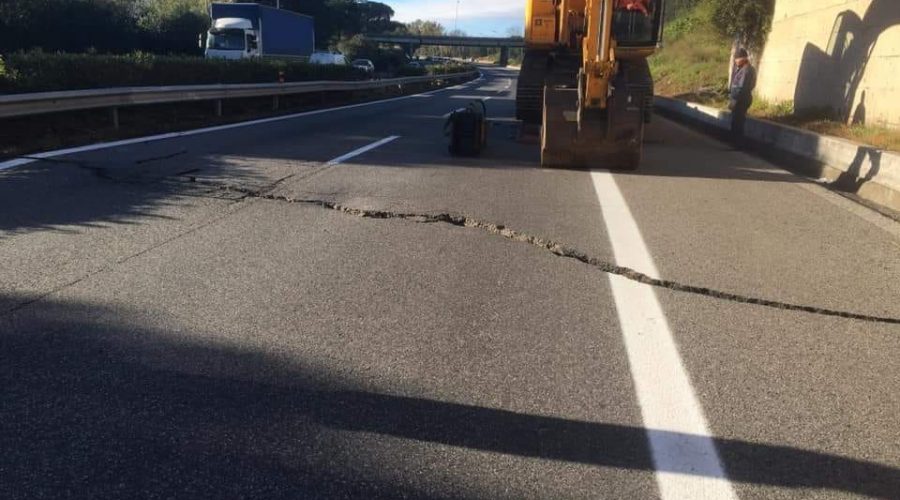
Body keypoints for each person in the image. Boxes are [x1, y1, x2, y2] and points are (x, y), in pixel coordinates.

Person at [729, 48, 757, 147]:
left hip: (741, 99)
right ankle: (735, 143)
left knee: (738, 122)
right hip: (741, 98)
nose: (735, 61)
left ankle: (737, 144)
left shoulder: (745, 70)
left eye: (737, 58)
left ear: (743, 58)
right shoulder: (743, 69)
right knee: (737, 121)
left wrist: (734, 100)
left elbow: (741, 87)